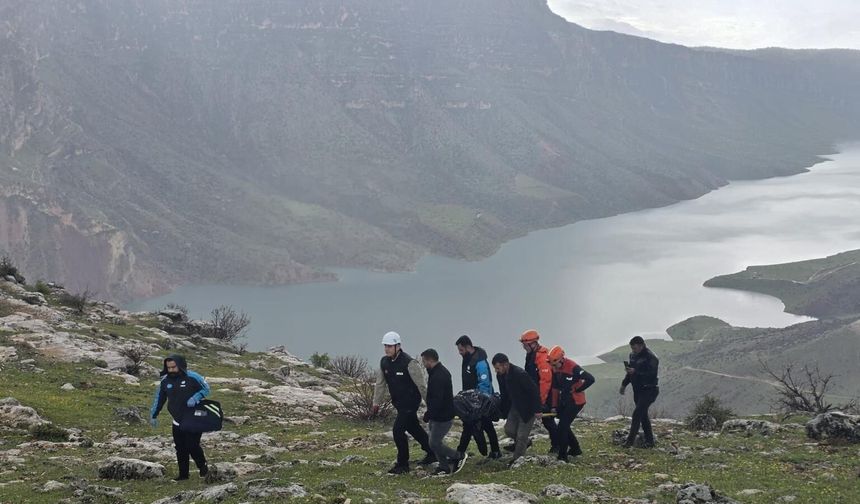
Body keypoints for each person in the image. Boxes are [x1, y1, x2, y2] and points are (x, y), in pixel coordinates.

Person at [372, 331, 435, 474]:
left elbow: (422, 386)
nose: (387, 349)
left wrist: (430, 406)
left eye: (390, 346)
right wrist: (376, 403)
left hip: (410, 403)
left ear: (398, 346)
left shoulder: (409, 363)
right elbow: (380, 384)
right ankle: (432, 452)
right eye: (385, 346)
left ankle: (402, 464)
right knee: (414, 428)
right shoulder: (384, 362)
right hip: (399, 403)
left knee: (397, 431)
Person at [150, 354, 211, 481]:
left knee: (192, 445)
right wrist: (154, 415)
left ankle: (203, 468)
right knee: (180, 448)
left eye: (174, 367)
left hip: (194, 418)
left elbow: (206, 389)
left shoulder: (193, 377)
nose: (171, 370)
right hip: (177, 420)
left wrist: (196, 397)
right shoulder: (165, 381)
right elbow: (159, 398)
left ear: (181, 365)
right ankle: (183, 475)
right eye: (168, 368)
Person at [421, 348, 469, 475]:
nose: (423, 364)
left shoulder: (440, 375)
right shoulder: (435, 372)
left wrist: (429, 414)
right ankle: (444, 466)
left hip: (443, 417)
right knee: (435, 442)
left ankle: (458, 456)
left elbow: (438, 399)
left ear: (430, 360)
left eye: (424, 361)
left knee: (434, 443)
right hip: (436, 415)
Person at [455, 335, 501, 459]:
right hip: (470, 399)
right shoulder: (467, 358)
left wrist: (480, 404)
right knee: (471, 425)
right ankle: (461, 452)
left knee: (483, 424)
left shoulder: (480, 361)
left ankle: (494, 451)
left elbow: (484, 383)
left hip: (480, 402)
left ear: (467, 347)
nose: (460, 353)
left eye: (461, 350)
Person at [547, 345, 595, 461]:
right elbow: (555, 389)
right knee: (564, 426)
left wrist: (578, 389)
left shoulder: (572, 366)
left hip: (576, 401)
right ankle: (575, 449)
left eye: (555, 364)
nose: (553, 367)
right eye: (552, 365)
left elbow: (590, 379)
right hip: (565, 400)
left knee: (562, 427)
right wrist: (554, 406)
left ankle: (562, 456)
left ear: (561, 359)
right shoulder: (554, 369)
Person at [492, 353, 541, 465]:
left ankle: (517, 460)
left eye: (498, 368)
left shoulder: (520, 374)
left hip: (528, 408)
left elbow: (533, 391)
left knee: (521, 436)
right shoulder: (500, 376)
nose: (496, 371)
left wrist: (538, 409)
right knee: (509, 430)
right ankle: (526, 442)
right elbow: (504, 393)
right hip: (514, 406)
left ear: (505, 365)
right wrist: (504, 410)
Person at [519, 329, 558, 453]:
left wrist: (540, 401)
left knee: (548, 421)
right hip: (537, 393)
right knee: (547, 421)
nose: (524, 347)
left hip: (546, 395)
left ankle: (558, 445)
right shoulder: (532, 354)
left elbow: (545, 381)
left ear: (533, 343)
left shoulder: (542, 357)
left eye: (525, 345)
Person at [619, 336, 659, 448]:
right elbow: (630, 373)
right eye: (632, 348)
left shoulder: (651, 357)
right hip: (637, 390)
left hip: (649, 390)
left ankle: (629, 442)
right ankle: (650, 441)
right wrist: (624, 384)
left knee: (637, 414)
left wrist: (635, 371)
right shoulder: (632, 355)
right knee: (643, 415)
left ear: (642, 346)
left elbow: (651, 374)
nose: (633, 350)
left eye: (635, 348)